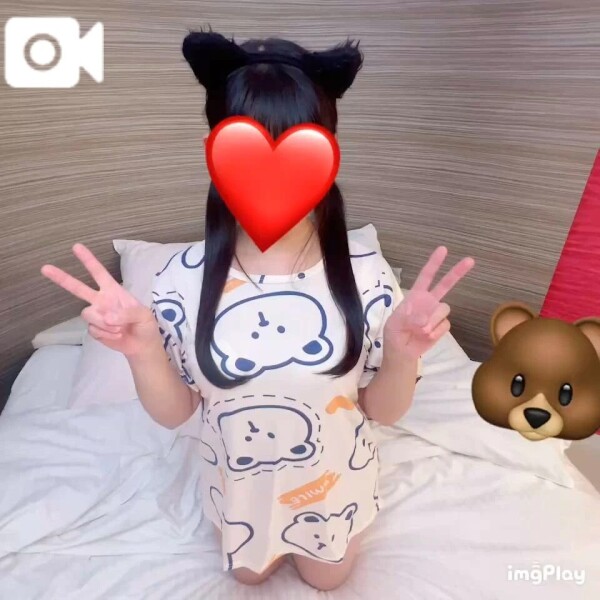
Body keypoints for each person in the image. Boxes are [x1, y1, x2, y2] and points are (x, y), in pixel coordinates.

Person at [41, 30, 474, 591]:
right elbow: (177, 413)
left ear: (326, 154)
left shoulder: (365, 274)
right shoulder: (181, 279)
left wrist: (401, 352)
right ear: (217, 153)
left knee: (328, 582)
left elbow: (381, 411)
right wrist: (142, 349)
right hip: (237, 493)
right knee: (248, 578)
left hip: (333, 492)